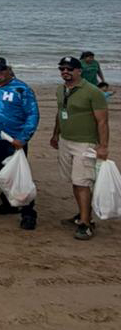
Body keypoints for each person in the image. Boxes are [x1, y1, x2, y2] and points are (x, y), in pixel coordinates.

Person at [51, 56, 109, 240]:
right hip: (66, 140)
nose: (65, 72)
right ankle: (83, 214)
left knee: (82, 182)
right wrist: (55, 134)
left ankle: (86, 224)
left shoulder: (93, 92)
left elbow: (102, 121)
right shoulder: (60, 89)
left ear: (79, 71)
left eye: (69, 68)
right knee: (74, 181)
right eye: (62, 69)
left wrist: (103, 146)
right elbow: (60, 112)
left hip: (85, 143)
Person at [0, 57, 40, 230]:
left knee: (19, 176)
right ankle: (8, 202)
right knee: (3, 173)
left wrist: (23, 137)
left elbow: (32, 115)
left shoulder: (22, 89)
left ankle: (28, 213)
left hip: (15, 140)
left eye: (2, 70)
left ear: (9, 70)